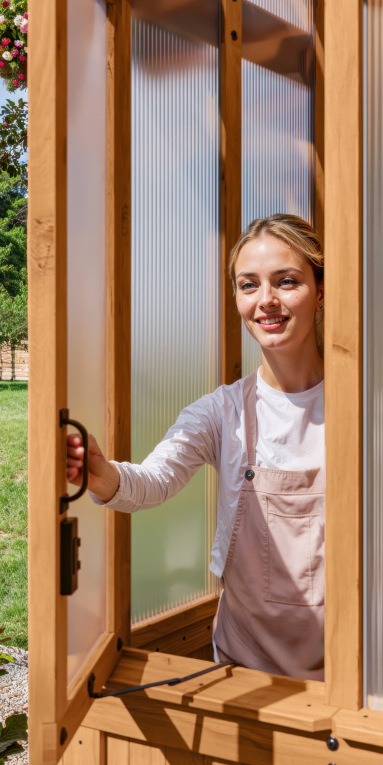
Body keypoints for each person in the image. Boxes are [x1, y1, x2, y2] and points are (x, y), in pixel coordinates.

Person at [66, 214, 326, 679]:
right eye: (249, 286)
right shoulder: (221, 411)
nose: (266, 301)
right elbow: (153, 481)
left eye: (286, 282)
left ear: (320, 293)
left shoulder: (362, 409)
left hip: (344, 673)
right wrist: (102, 473)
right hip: (242, 669)